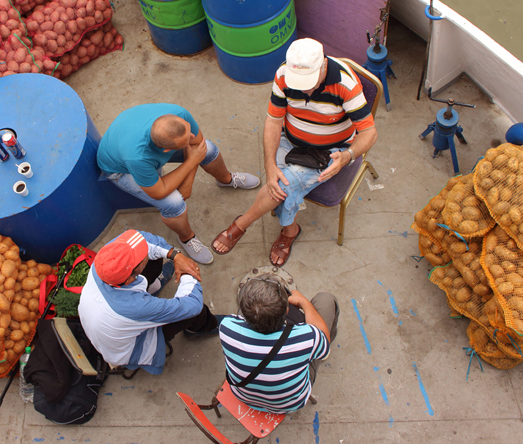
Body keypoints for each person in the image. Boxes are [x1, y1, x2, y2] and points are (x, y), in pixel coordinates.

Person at [212, 38, 377, 266]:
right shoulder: (283, 75)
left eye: (307, 81)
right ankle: (290, 230)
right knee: (279, 188)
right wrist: (269, 167)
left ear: (323, 66)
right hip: (290, 140)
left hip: (329, 152)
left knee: (281, 188)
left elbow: (369, 133)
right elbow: (273, 121)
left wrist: (348, 156)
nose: (302, 88)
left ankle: (242, 225)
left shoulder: (345, 84)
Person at [98, 103, 260, 265]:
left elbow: (198, 144)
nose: (191, 136)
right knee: (173, 203)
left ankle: (226, 179)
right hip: (121, 169)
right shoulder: (138, 157)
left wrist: (188, 179)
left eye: (189, 131)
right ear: (167, 151)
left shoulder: (178, 115)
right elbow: (159, 191)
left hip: (136, 146)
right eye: (186, 140)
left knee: (208, 149)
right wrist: (191, 161)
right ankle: (186, 238)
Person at [78, 229, 223, 375]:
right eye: (139, 259)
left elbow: (142, 238)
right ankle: (201, 328)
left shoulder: (104, 262)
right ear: (129, 280)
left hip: (108, 326)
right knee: (194, 313)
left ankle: (152, 288)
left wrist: (175, 255)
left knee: (154, 256)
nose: (143, 252)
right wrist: (187, 271)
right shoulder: (135, 307)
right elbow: (191, 305)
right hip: (132, 348)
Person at [218, 274, 339, 414]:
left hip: (243, 396)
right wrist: (304, 302)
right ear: (287, 310)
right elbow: (324, 343)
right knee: (326, 299)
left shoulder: (226, 326)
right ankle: (325, 341)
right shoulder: (307, 338)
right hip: (289, 404)